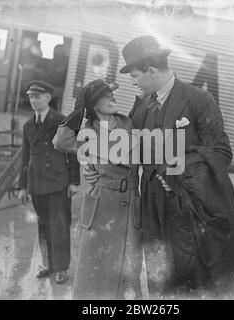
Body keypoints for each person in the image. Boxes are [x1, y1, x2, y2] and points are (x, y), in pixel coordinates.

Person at [84, 35, 234, 298]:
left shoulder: (199, 99)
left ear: (152, 70)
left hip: (189, 205)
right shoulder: (143, 103)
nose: (132, 82)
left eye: (135, 75)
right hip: (152, 204)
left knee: (194, 273)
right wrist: (97, 166)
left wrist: (180, 171)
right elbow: (130, 148)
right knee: (160, 273)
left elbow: (221, 152)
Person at [62, 79, 143, 300]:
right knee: (94, 269)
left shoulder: (129, 123)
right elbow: (61, 141)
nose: (113, 98)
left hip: (129, 202)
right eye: (106, 96)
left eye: (112, 94)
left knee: (128, 271)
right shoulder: (86, 129)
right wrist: (78, 113)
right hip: (101, 204)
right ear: (93, 105)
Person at [17, 80, 80, 284]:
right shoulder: (28, 125)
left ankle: (61, 268)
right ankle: (49, 264)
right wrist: (23, 186)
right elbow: (25, 157)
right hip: (37, 185)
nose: (33, 100)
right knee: (43, 227)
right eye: (31, 96)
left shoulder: (61, 121)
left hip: (58, 183)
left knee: (59, 227)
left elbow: (72, 153)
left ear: (47, 98)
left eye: (37, 96)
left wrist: (73, 182)